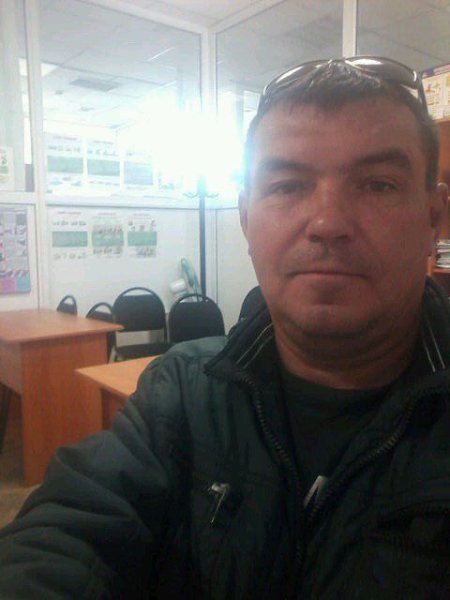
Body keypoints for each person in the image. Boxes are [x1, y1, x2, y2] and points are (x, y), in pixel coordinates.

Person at [0, 56, 449, 599]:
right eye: (288, 185)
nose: (328, 223)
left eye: (377, 185)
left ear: (434, 216)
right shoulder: (182, 394)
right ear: (245, 217)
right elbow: (66, 535)